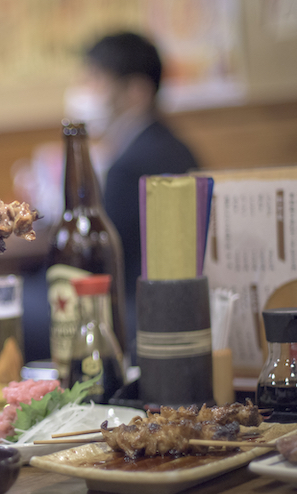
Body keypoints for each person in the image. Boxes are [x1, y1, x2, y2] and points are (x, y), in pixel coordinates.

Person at [64, 31, 200, 354]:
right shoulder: (174, 146)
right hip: (179, 307)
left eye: (97, 79)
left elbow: (98, 257)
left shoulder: (131, 164)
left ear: (137, 92)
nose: (86, 91)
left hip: (135, 314)